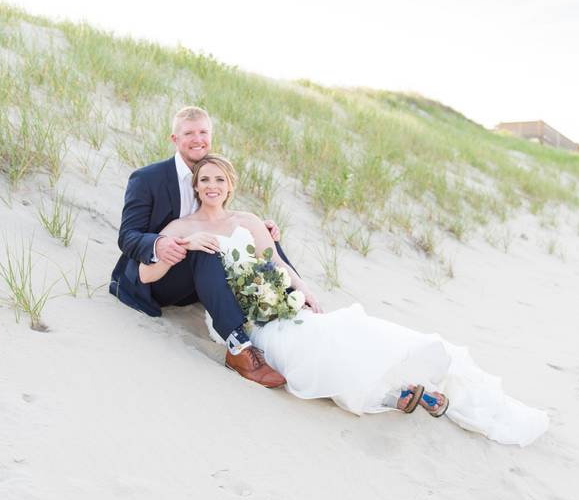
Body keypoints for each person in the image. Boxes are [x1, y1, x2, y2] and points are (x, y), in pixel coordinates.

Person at [140, 154, 549, 445]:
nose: (212, 186)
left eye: (219, 179)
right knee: (301, 358)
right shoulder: (182, 225)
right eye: (204, 180)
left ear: (230, 185)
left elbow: (275, 263)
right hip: (243, 321)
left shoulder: (248, 221)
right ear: (195, 187)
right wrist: (186, 242)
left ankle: (404, 386)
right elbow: (150, 270)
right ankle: (394, 392)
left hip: (279, 304)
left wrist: (302, 290)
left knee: (333, 333)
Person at [110, 107, 298, 388]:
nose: (197, 139)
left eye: (203, 132)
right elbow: (127, 235)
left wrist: (258, 227)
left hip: (199, 283)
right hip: (156, 277)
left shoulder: (210, 171)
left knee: (261, 237)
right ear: (175, 138)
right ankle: (238, 347)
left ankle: (295, 300)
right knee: (203, 247)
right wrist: (160, 244)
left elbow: (217, 216)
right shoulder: (147, 179)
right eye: (189, 133)